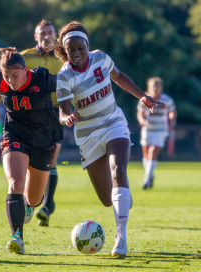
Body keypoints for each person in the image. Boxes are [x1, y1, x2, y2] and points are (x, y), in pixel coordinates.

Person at [54, 21, 164, 257]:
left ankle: (121, 238)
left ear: (87, 45)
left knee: (118, 171)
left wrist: (143, 96)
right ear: (65, 52)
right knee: (107, 200)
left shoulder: (101, 58)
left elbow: (119, 76)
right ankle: (122, 196)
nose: (76, 53)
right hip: (87, 135)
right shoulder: (64, 76)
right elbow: (63, 111)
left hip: (114, 122)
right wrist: (66, 118)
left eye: (80, 47)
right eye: (71, 50)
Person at [0, 47, 62, 255]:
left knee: (34, 199)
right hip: (15, 136)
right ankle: (17, 237)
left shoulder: (42, 78)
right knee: (15, 182)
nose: (11, 80)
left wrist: (69, 111)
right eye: (6, 76)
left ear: (25, 70)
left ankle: (29, 205)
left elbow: (68, 87)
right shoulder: (2, 82)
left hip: (43, 140)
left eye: (15, 75)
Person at [21, 19, 64, 227]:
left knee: (52, 160)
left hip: (55, 114)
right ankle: (34, 201)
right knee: (30, 163)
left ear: (56, 35)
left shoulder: (64, 57)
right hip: (29, 115)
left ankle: (46, 207)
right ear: (35, 36)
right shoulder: (24, 57)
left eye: (50, 32)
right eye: (42, 32)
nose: (47, 35)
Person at [137, 77, 176, 189]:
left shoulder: (167, 100)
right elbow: (140, 113)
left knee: (153, 152)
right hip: (147, 130)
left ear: (161, 88)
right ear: (149, 87)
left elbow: (172, 112)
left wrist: (171, 123)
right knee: (146, 155)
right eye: (153, 85)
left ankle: (146, 180)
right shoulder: (144, 99)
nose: (155, 88)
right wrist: (142, 121)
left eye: (157, 85)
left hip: (160, 130)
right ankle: (150, 175)